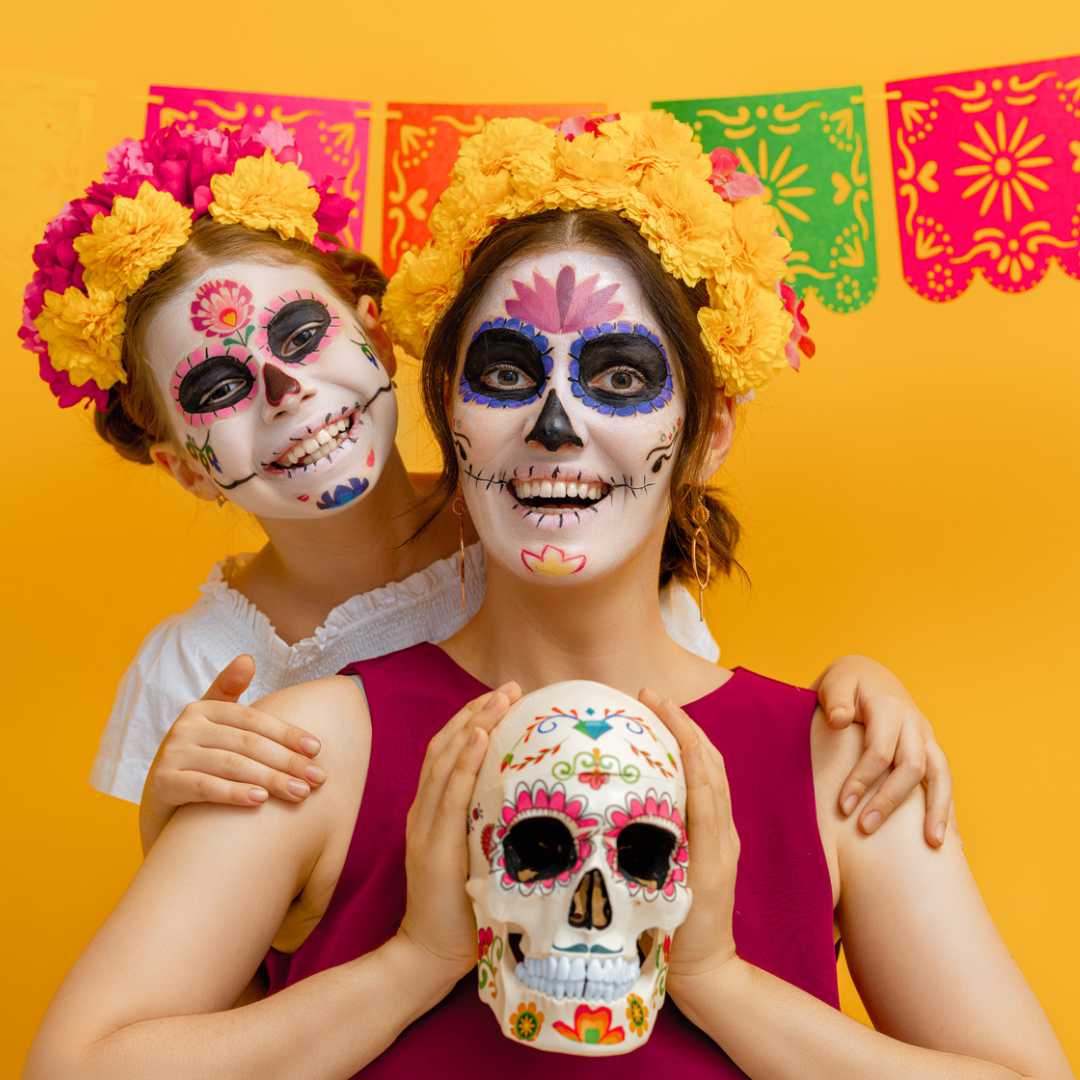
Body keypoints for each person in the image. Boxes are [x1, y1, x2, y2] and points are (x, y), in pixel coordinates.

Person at [25, 113, 1069, 1079]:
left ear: (706, 431)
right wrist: (412, 961)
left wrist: (719, 982)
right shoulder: (308, 752)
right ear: (449, 412)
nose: (555, 426)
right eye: (507, 374)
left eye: (619, 378)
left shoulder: (845, 764)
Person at [21, 119, 948, 853]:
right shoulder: (194, 670)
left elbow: (700, 725)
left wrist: (846, 700)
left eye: (303, 337)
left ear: (379, 334)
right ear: (184, 465)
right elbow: (208, 952)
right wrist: (169, 815)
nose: (284, 388)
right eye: (217, 389)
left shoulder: (545, 530)